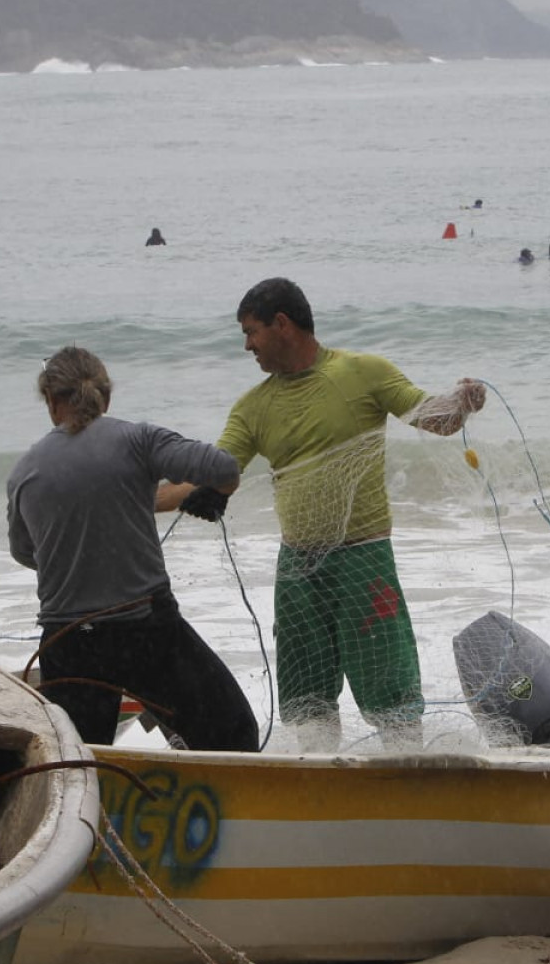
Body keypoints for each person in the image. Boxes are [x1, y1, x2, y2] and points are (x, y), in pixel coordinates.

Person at [162, 278, 485, 751]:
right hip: (297, 564)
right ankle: (317, 771)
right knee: (306, 695)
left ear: (282, 324)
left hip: (364, 556)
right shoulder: (253, 407)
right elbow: (213, 475)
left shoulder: (363, 373)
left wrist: (463, 403)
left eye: (251, 332)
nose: (247, 345)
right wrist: (128, 495)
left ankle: (406, 772)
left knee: (388, 681)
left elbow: (432, 419)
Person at [6, 346, 258, 751]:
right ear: (105, 398)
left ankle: (99, 812)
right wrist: (210, 493)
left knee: (80, 762)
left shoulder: (24, 471)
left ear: (52, 403)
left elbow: (24, 552)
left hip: (68, 643)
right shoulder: (139, 440)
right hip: (145, 633)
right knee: (232, 733)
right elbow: (224, 468)